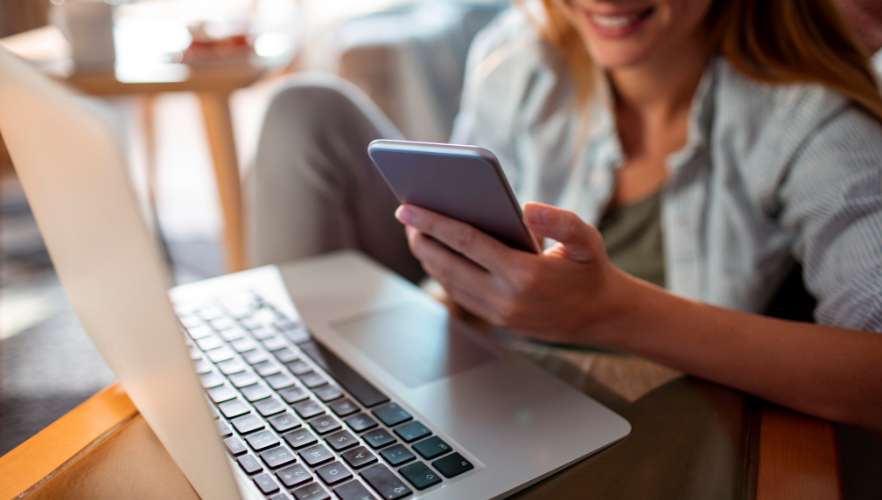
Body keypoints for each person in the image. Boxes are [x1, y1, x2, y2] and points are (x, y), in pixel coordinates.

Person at [248, 0, 882, 431]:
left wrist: (613, 311)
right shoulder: (519, 60)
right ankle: (285, 418)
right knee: (305, 110)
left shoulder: (812, 122)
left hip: (653, 428)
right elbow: (462, 291)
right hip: (498, 394)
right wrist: (458, 278)